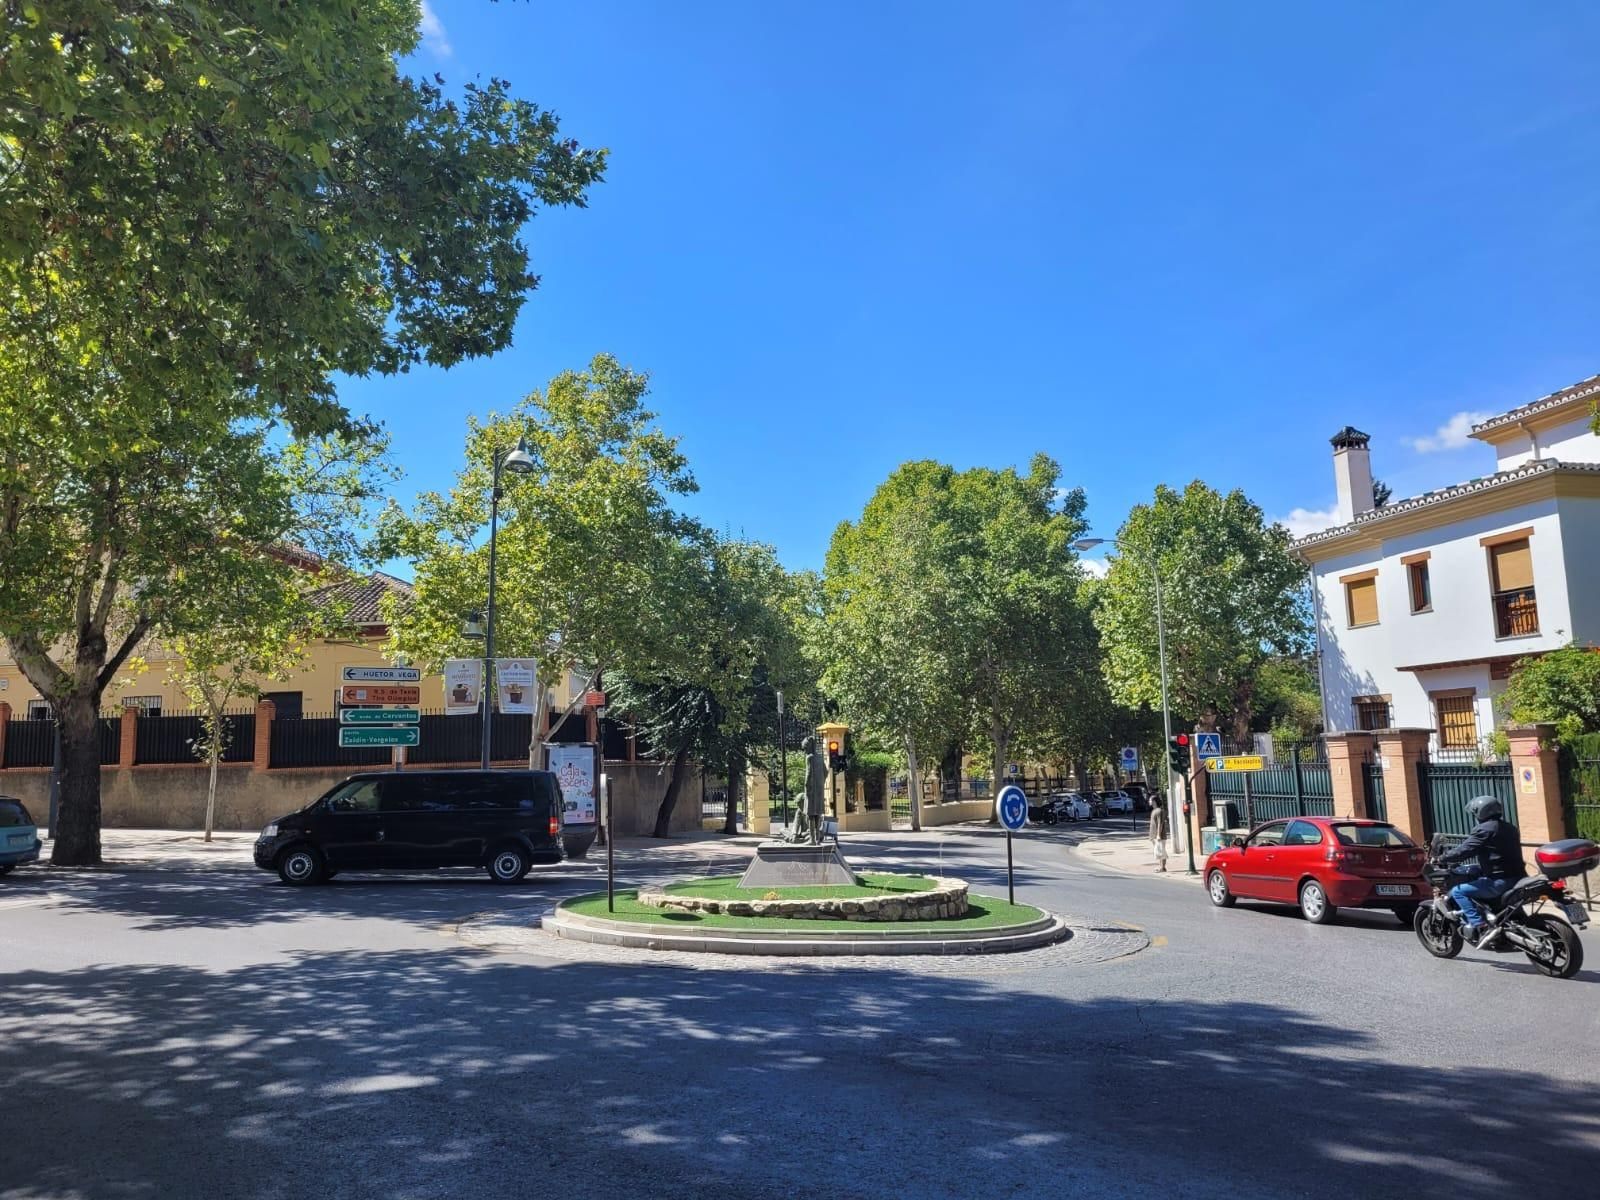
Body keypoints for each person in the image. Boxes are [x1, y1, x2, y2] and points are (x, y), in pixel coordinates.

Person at [1438, 795, 1525, 942]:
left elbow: (1465, 850)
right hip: (1519, 877)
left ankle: (1480, 926)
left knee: (1459, 892)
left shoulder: (1484, 829)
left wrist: (1443, 857)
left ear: (1480, 813)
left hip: (1500, 881)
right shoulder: (1510, 827)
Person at [1149, 792, 1168, 873]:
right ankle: (1161, 867)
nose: (1149, 801)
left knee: (1161, 852)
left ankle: (1163, 867)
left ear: (1154, 801)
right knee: (1158, 852)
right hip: (1154, 836)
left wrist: (1158, 835)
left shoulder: (1159, 811)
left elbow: (1161, 823)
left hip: (1159, 836)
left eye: (1150, 800)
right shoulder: (1154, 811)